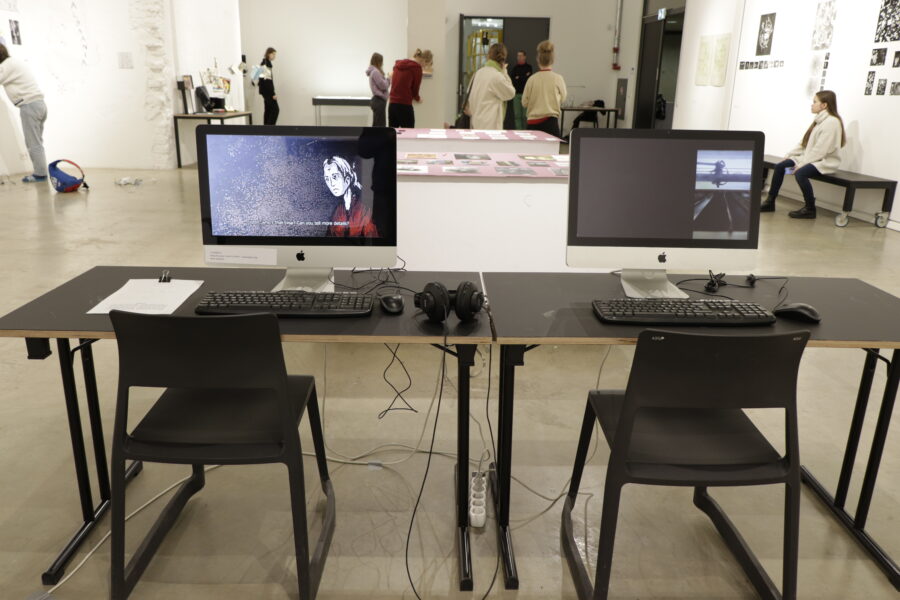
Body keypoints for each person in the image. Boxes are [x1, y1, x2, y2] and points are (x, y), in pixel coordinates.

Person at [761, 90, 846, 219]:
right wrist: (789, 155)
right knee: (780, 167)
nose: (812, 104)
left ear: (824, 105)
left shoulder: (832, 122)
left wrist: (801, 164)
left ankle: (810, 208)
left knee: (800, 173)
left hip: (824, 162)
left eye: (815, 102)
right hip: (810, 159)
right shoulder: (819, 121)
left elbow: (820, 151)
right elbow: (803, 143)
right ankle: (770, 202)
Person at [0, 43, 48, 182]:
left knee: (33, 143)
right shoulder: (13, 62)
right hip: (39, 104)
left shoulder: (6, 66)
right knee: (37, 142)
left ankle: (40, 174)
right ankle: (41, 171)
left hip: (30, 106)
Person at [521, 40, 567, 138]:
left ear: (538, 59)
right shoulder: (558, 78)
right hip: (551, 124)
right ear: (553, 59)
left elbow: (524, 102)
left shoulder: (532, 79)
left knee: (532, 148)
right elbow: (563, 98)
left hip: (533, 124)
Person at [323, 156, 378, 237]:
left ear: (347, 179)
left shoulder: (365, 207)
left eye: (335, 177)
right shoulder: (338, 211)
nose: (331, 183)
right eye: (327, 179)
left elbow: (373, 238)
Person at [468, 43, 515, 130]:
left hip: (476, 121)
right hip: (490, 125)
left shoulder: (478, 73)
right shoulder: (497, 76)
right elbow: (511, 93)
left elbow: (470, 97)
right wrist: (504, 72)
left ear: (488, 56)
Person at [388, 48, 433, 128]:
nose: (424, 67)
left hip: (392, 104)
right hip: (404, 105)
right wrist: (418, 99)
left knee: (392, 133)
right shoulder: (417, 68)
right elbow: (415, 89)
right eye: (426, 65)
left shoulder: (398, 65)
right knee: (410, 132)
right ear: (424, 60)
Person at [508, 50, 533, 129]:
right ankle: (519, 131)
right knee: (517, 115)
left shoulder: (528, 67)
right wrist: (523, 76)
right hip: (516, 95)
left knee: (525, 116)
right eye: (518, 56)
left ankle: (526, 132)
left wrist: (518, 77)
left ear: (524, 57)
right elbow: (513, 81)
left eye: (521, 56)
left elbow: (527, 80)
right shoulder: (515, 68)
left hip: (525, 94)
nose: (519, 57)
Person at [366, 52, 390, 127]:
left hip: (377, 100)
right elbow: (383, 86)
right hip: (379, 100)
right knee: (380, 125)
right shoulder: (375, 72)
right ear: (378, 62)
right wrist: (389, 78)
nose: (382, 64)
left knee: (377, 124)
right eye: (381, 62)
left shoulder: (373, 72)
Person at [258, 47, 278, 125]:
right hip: (268, 92)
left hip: (264, 91)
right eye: (273, 54)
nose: (274, 56)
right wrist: (273, 93)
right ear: (269, 54)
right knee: (275, 110)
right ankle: (270, 129)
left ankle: (266, 128)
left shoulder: (264, 63)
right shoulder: (266, 64)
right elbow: (268, 81)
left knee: (268, 110)